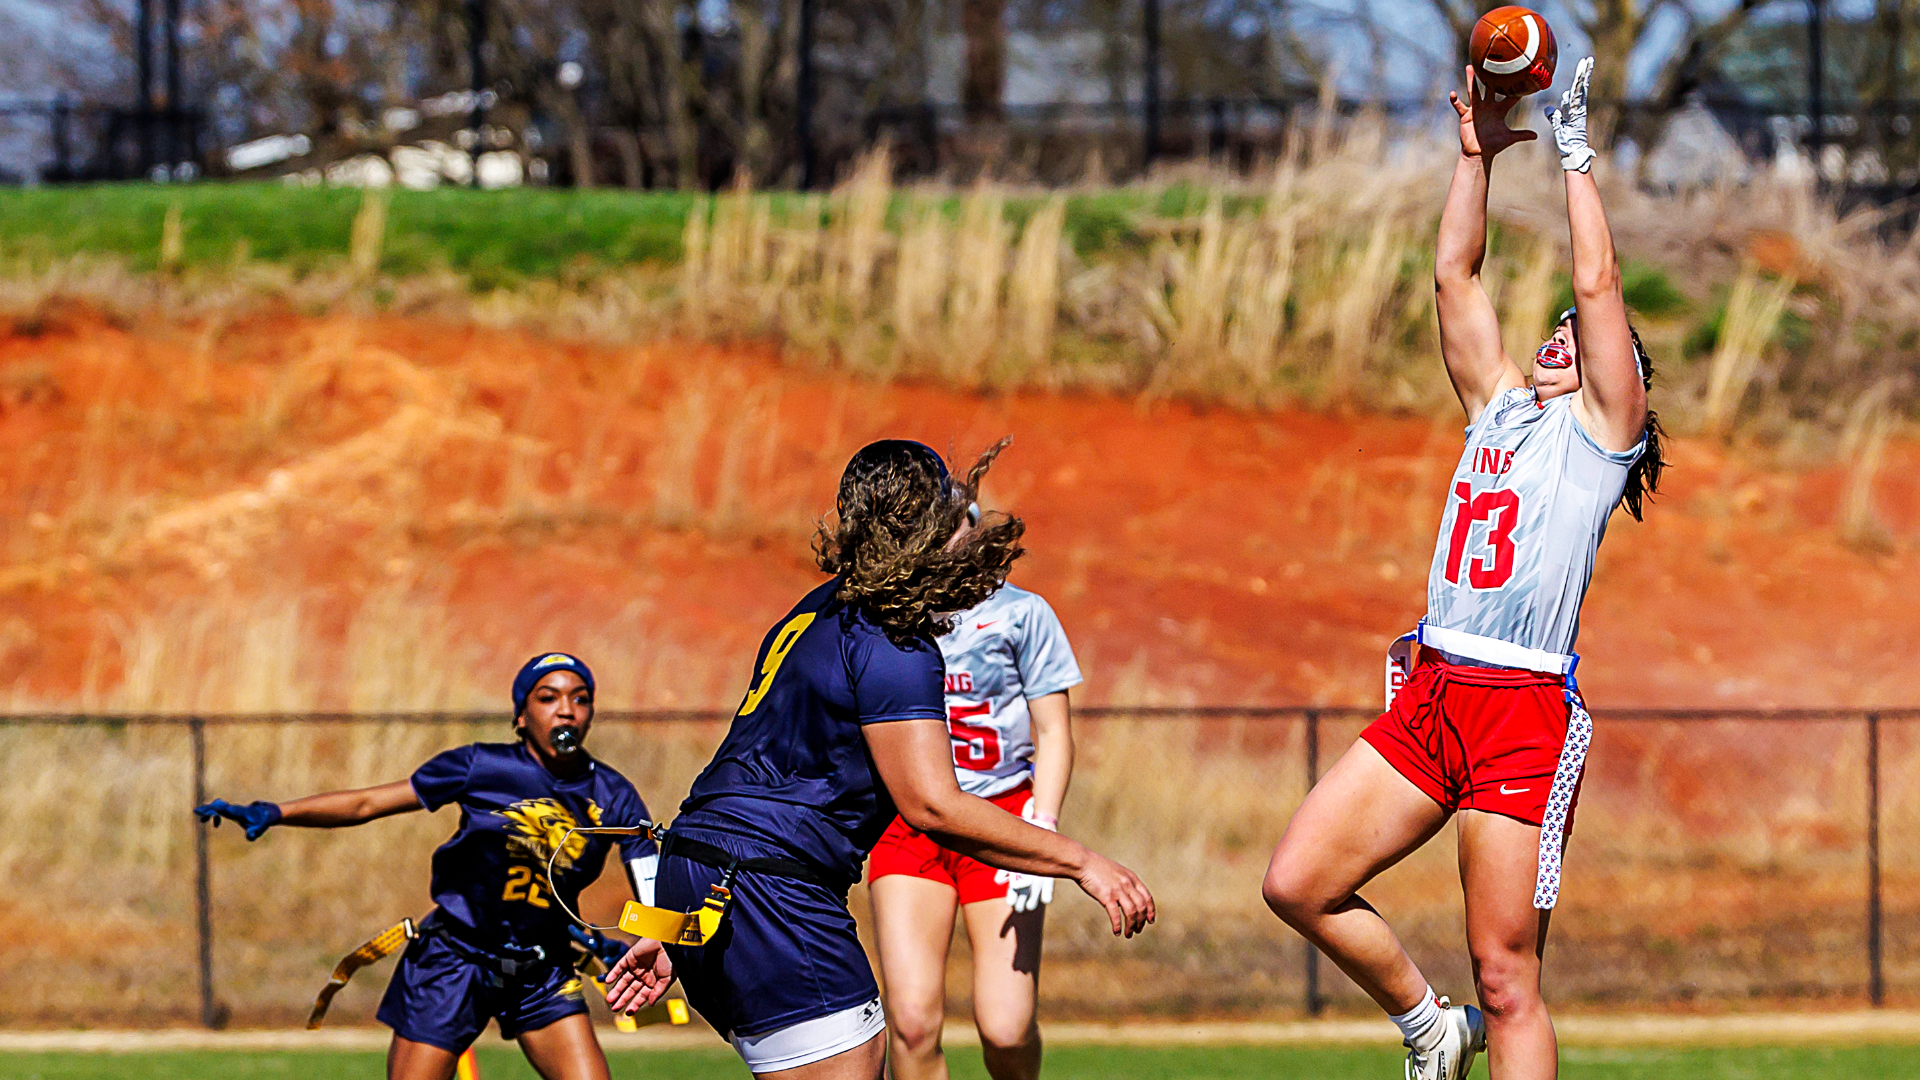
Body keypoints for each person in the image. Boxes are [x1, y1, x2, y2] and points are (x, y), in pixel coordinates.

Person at [1259, 59, 1666, 1080]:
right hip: (1435, 683)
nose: (1564, 334)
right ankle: (1428, 1028)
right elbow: (1455, 275)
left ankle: (1471, 1024)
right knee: (1298, 881)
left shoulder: (1603, 437)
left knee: (1507, 974)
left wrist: (1576, 159)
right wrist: (1473, 156)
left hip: (1519, 702)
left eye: (1584, 338)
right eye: (1560, 332)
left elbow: (1598, 283)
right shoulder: (1499, 406)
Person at [603, 439, 1154, 1080]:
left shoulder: (813, 609)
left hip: (703, 874)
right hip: (766, 890)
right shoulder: (894, 641)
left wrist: (692, 922)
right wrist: (1083, 862)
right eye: (952, 514)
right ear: (927, 532)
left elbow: (754, 776)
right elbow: (932, 805)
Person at [195, 653, 657, 1080]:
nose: (566, 710)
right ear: (521, 715)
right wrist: (277, 812)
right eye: (548, 697)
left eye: (581, 699)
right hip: (455, 960)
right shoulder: (481, 766)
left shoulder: (614, 796)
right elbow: (365, 803)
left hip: (542, 968)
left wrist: (652, 940)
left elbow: (653, 887)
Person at [869, 578, 1082, 1080]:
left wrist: (1044, 827)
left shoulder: (1021, 611)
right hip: (911, 819)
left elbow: (1053, 730)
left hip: (1001, 817)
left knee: (1007, 1028)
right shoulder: (889, 604)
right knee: (912, 1026)